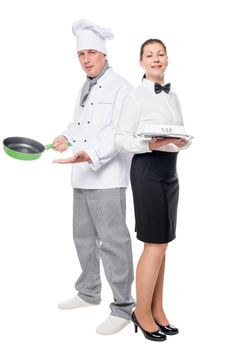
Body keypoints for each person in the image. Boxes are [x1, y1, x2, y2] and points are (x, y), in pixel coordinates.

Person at [52, 19, 135, 335]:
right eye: (81, 54)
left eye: (91, 53)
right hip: (81, 176)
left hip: (107, 177)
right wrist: (64, 137)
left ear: (103, 54)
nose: (86, 59)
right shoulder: (84, 87)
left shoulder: (121, 87)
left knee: (113, 242)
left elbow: (120, 134)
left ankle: (124, 307)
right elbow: (79, 127)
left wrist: (91, 154)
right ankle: (88, 291)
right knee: (83, 237)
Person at [115, 38, 191, 341]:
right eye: (149, 55)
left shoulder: (174, 97)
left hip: (170, 172)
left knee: (163, 244)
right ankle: (141, 313)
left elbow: (177, 133)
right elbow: (121, 139)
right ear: (141, 62)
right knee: (154, 244)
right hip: (147, 170)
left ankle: (157, 309)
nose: (155, 59)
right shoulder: (135, 97)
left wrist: (182, 142)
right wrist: (149, 144)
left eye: (160, 54)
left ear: (167, 59)